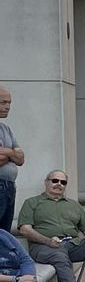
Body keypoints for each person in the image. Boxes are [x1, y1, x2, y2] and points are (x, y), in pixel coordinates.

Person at [0, 85, 25, 233]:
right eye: (3, 102)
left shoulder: (5, 129)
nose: (8, 107)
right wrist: (12, 155)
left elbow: (21, 159)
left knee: (5, 234)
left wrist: (7, 152)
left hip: (9, 187)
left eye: (9, 103)